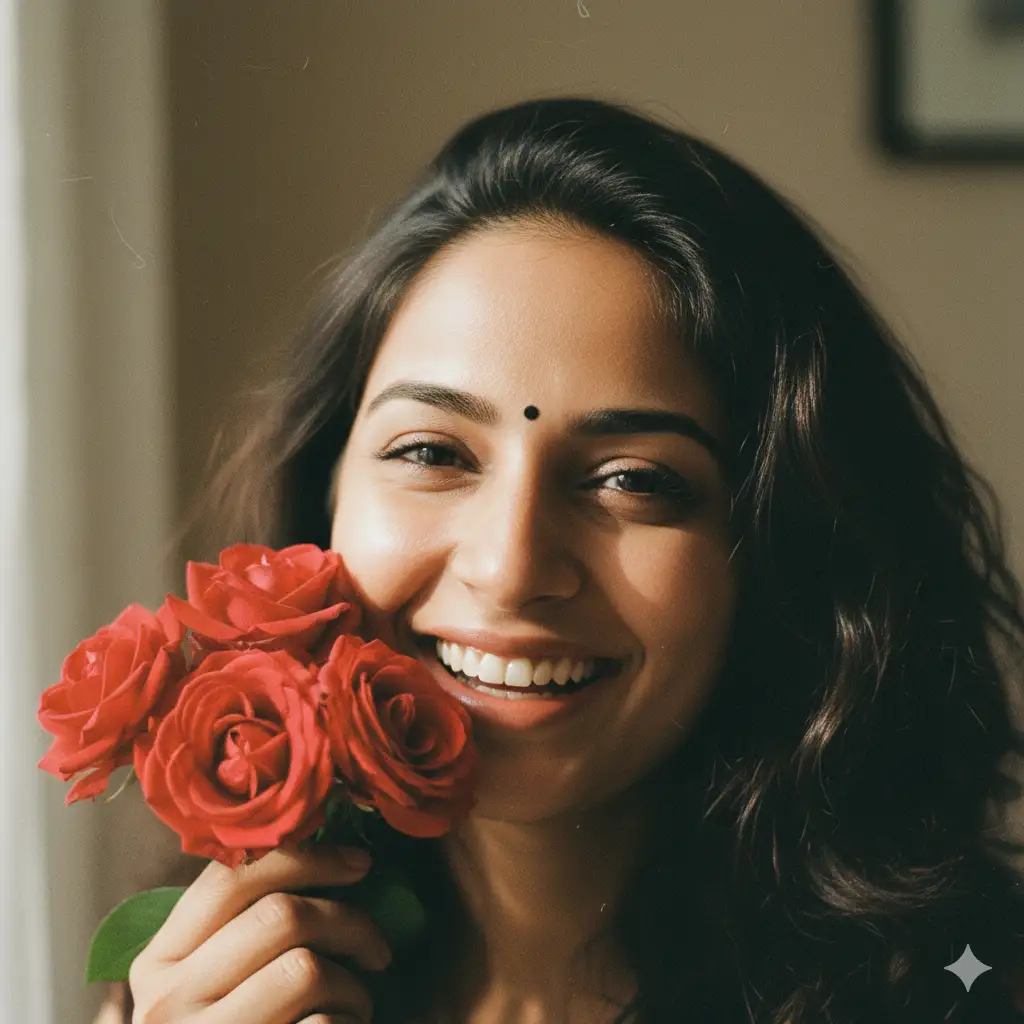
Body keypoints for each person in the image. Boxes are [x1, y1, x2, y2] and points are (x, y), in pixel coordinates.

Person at [103, 97, 1024, 1023]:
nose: (509, 567)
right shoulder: (197, 986)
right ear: (324, 499)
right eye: (431, 453)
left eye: (633, 480)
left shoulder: (970, 988)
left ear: (785, 547)